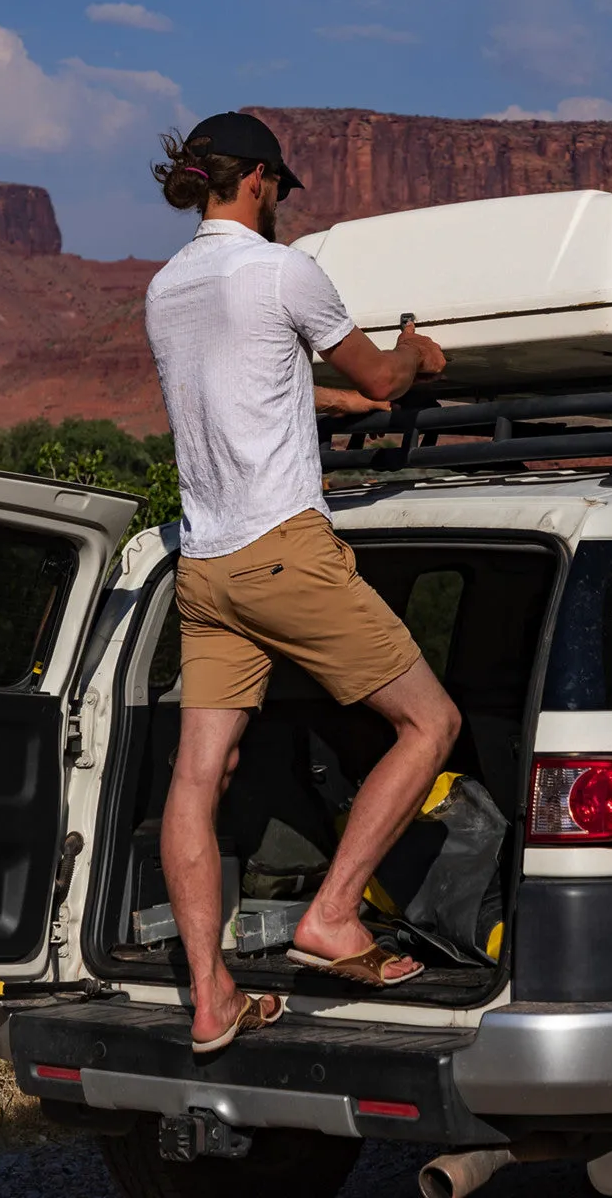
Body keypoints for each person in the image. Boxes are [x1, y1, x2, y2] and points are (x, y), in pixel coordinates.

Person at [145, 111, 460, 1053]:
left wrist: (340, 400)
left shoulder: (166, 289)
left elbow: (246, 382)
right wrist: (412, 356)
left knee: (197, 779)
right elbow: (387, 374)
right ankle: (331, 914)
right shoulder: (283, 270)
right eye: (280, 188)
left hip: (206, 566)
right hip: (285, 552)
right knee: (431, 722)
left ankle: (211, 996)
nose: (282, 203)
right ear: (259, 183)